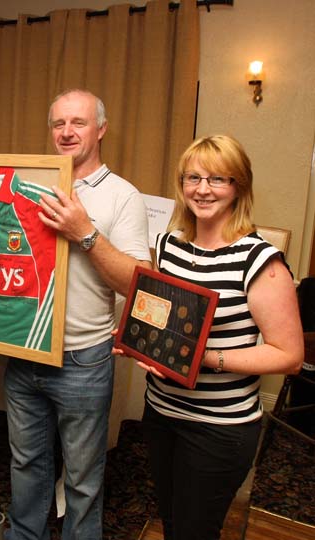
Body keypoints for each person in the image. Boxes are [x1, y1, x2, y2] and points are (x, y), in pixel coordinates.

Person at [139, 135, 303, 540]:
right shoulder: (166, 245)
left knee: (196, 532)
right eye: (193, 177)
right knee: (173, 523)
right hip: (160, 413)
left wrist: (203, 357)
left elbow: (289, 356)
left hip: (218, 429)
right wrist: (137, 336)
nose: (202, 189)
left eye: (217, 178)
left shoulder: (258, 259)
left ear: (239, 186)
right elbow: (163, 321)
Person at [4, 89, 150, 540]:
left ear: (101, 129)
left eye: (78, 123)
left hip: (84, 360)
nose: (67, 132)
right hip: (24, 352)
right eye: (58, 123)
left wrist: (85, 233)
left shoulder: (123, 196)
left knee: (83, 478)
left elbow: (136, 284)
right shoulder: (30, 186)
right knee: (26, 463)